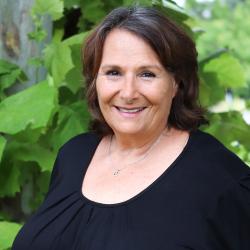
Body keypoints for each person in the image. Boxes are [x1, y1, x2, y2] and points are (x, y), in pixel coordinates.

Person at [12, 6, 250, 250]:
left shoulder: (221, 179)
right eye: (113, 72)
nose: (128, 93)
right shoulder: (73, 155)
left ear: (177, 82)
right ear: (95, 80)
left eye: (147, 74)